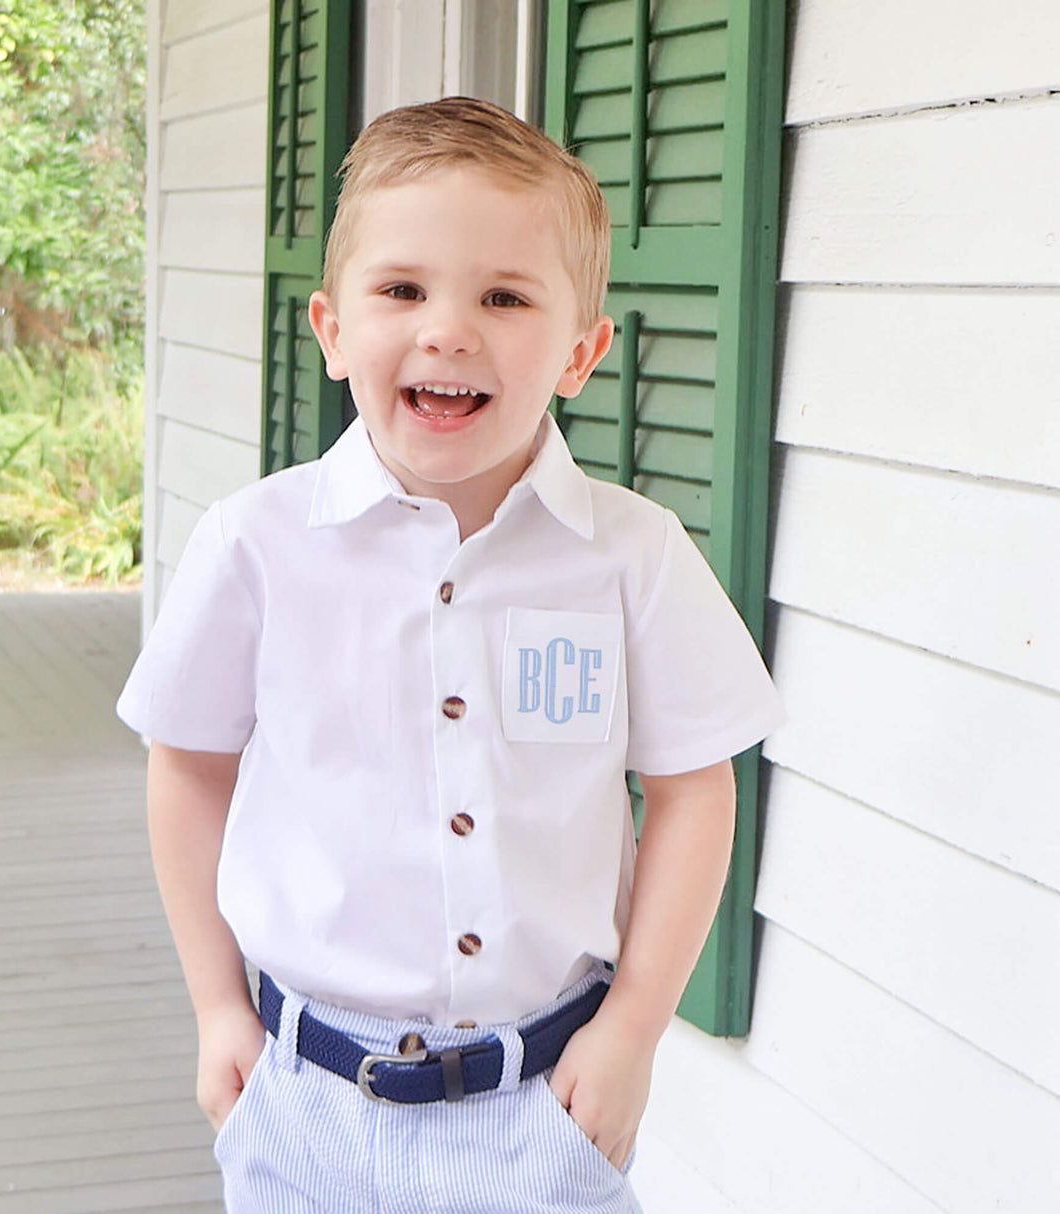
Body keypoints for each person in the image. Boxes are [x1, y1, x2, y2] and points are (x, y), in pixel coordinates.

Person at [117, 96, 783, 1213]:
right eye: (402, 290)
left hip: (543, 1103)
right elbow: (187, 766)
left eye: (504, 297)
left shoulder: (630, 557)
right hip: (305, 1098)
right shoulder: (257, 544)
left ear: (581, 352)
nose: (448, 330)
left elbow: (692, 790)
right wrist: (216, 1003)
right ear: (333, 330)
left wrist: (632, 1028)